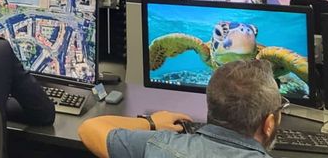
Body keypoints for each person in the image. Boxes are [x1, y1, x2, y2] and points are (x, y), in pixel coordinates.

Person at [78, 59, 288, 157]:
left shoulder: (157, 146)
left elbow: (90, 127)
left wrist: (151, 122)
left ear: (211, 105)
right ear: (268, 124)